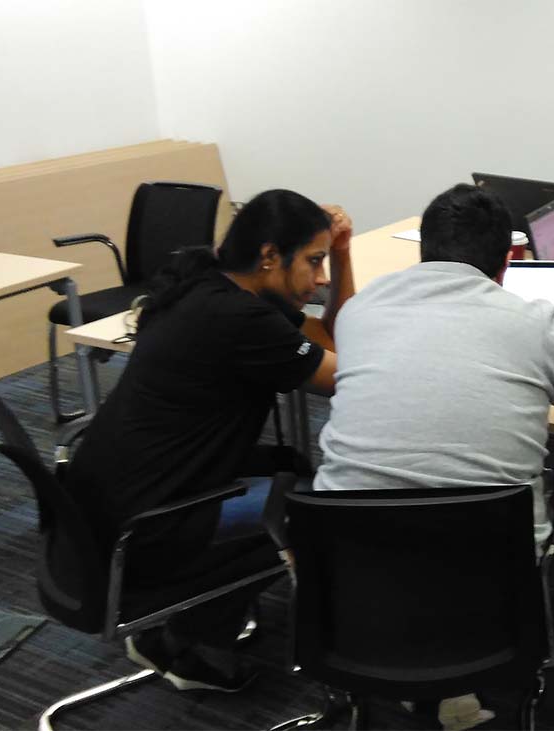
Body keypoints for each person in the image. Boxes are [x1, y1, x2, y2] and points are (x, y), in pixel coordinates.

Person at [313, 183, 554, 730]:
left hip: (350, 580)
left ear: (422, 252)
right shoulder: (531, 322)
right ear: (507, 262)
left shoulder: (359, 315)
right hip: (487, 594)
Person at [64, 188, 355, 692]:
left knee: (290, 467)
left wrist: (342, 250)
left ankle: (186, 631)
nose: (322, 278)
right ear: (269, 257)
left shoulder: (211, 283)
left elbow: (332, 339)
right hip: (145, 526)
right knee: (321, 506)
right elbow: (348, 371)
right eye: (314, 261)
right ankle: (193, 642)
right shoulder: (243, 322)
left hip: (107, 503)